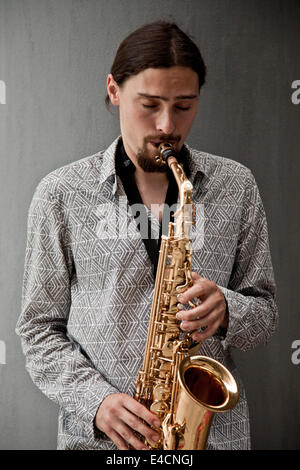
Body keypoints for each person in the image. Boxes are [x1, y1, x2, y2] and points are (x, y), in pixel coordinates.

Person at [16, 21, 278, 451]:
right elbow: (38, 331)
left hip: (209, 440)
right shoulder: (60, 194)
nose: (166, 125)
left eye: (184, 106)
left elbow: (265, 317)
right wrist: (96, 402)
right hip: (102, 443)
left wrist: (228, 311)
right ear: (114, 90)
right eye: (149, 104)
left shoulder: (237, 186)